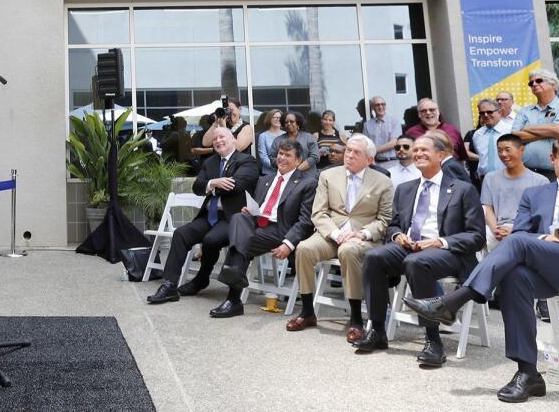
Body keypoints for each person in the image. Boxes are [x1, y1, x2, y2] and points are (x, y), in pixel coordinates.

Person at [404, 134, 559, 403]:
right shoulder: (535, 195)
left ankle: (454, 301)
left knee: (518, 242)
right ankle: (528, 372)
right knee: (515, 275)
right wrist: (549, 239)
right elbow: (522, 236)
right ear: (552, 159)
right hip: (551, 270)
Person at [351, 135, 486, 367]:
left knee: (417, 262)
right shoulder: (405, 189)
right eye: (416, 150)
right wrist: (397, 236)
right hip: (409, 247)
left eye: (425, 150)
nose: (418, 154)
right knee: (373, 257)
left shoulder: (463, 189)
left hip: (448, 252)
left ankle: (433, 341)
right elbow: (393, 224)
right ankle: (377, 330)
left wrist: (439, 242)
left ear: (441, 155)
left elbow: (476, 236)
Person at [289, 135, 394, 342]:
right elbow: (318, 213)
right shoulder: (328, 175)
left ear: (369, 159)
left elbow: (384, 220)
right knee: (304, 248)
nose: (350, 155)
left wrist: (362, 233)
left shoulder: (383, 182)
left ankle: (356, 318)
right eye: (348, 151)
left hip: (363, 237)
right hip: (332, 233)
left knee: (348, 250)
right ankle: (308, 311)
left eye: (357, 153)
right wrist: (336, 234)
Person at [146, 127, 261, 304]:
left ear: (233, 139)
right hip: (209, 216)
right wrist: (213, 182)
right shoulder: (210, 163)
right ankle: (169, 285)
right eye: (215, 138)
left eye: (222, 136)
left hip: (233, 218)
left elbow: (235, 185)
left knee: (210, 240)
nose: (218, 141)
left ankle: (201, 278)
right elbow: (197, 187)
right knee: (181, 234)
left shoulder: (247, 161)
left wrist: (210, 186)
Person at [208, 139, 316, 318]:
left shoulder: (307, 183)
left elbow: (305, 221)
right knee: (239, 217)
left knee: (241, 242)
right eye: (280, 154)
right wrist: (250, 212)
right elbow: (259, 207)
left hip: (281, 230)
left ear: (298, 161)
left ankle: (233, 297)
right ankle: (235, 280)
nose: (281, 158)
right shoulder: (265, 179)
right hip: (258, 224)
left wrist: (289, 243)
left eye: (287, 155)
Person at [480, 135, 548, 251]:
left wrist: (516, 230)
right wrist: (495, 229)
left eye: (507, 149)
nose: (503, 154)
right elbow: (487, 208)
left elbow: (541, 214)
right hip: (496, 229)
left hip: (526, 230)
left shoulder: (540, 181)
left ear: (521, 150)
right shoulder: (490, 178)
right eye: (500, 150)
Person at [512, 69, 559, 180]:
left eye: (539, 80)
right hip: (527, 174)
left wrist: (527, 128)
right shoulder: (524, 111)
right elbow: (515, 137)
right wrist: (550, 131)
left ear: (553, 85)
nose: (534, 84)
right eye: (531, 83)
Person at [468, 98, 504, 185]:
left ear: (499, 112)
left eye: (490, 112)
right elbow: (481, 155)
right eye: (482, 113)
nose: (486, 115)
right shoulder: (477, 134)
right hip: (485, 180)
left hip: (507, 178)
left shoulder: (511, 130)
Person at [364, 96, 403, 164]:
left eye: (383, 104)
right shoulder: (367, 125)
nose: (380, 107)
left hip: (392, 162)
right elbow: (365, 145)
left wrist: (373, 151)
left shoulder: (394, 121)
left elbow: (393, 143)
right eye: (377, 105)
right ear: (372, 107)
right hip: (375, 164)